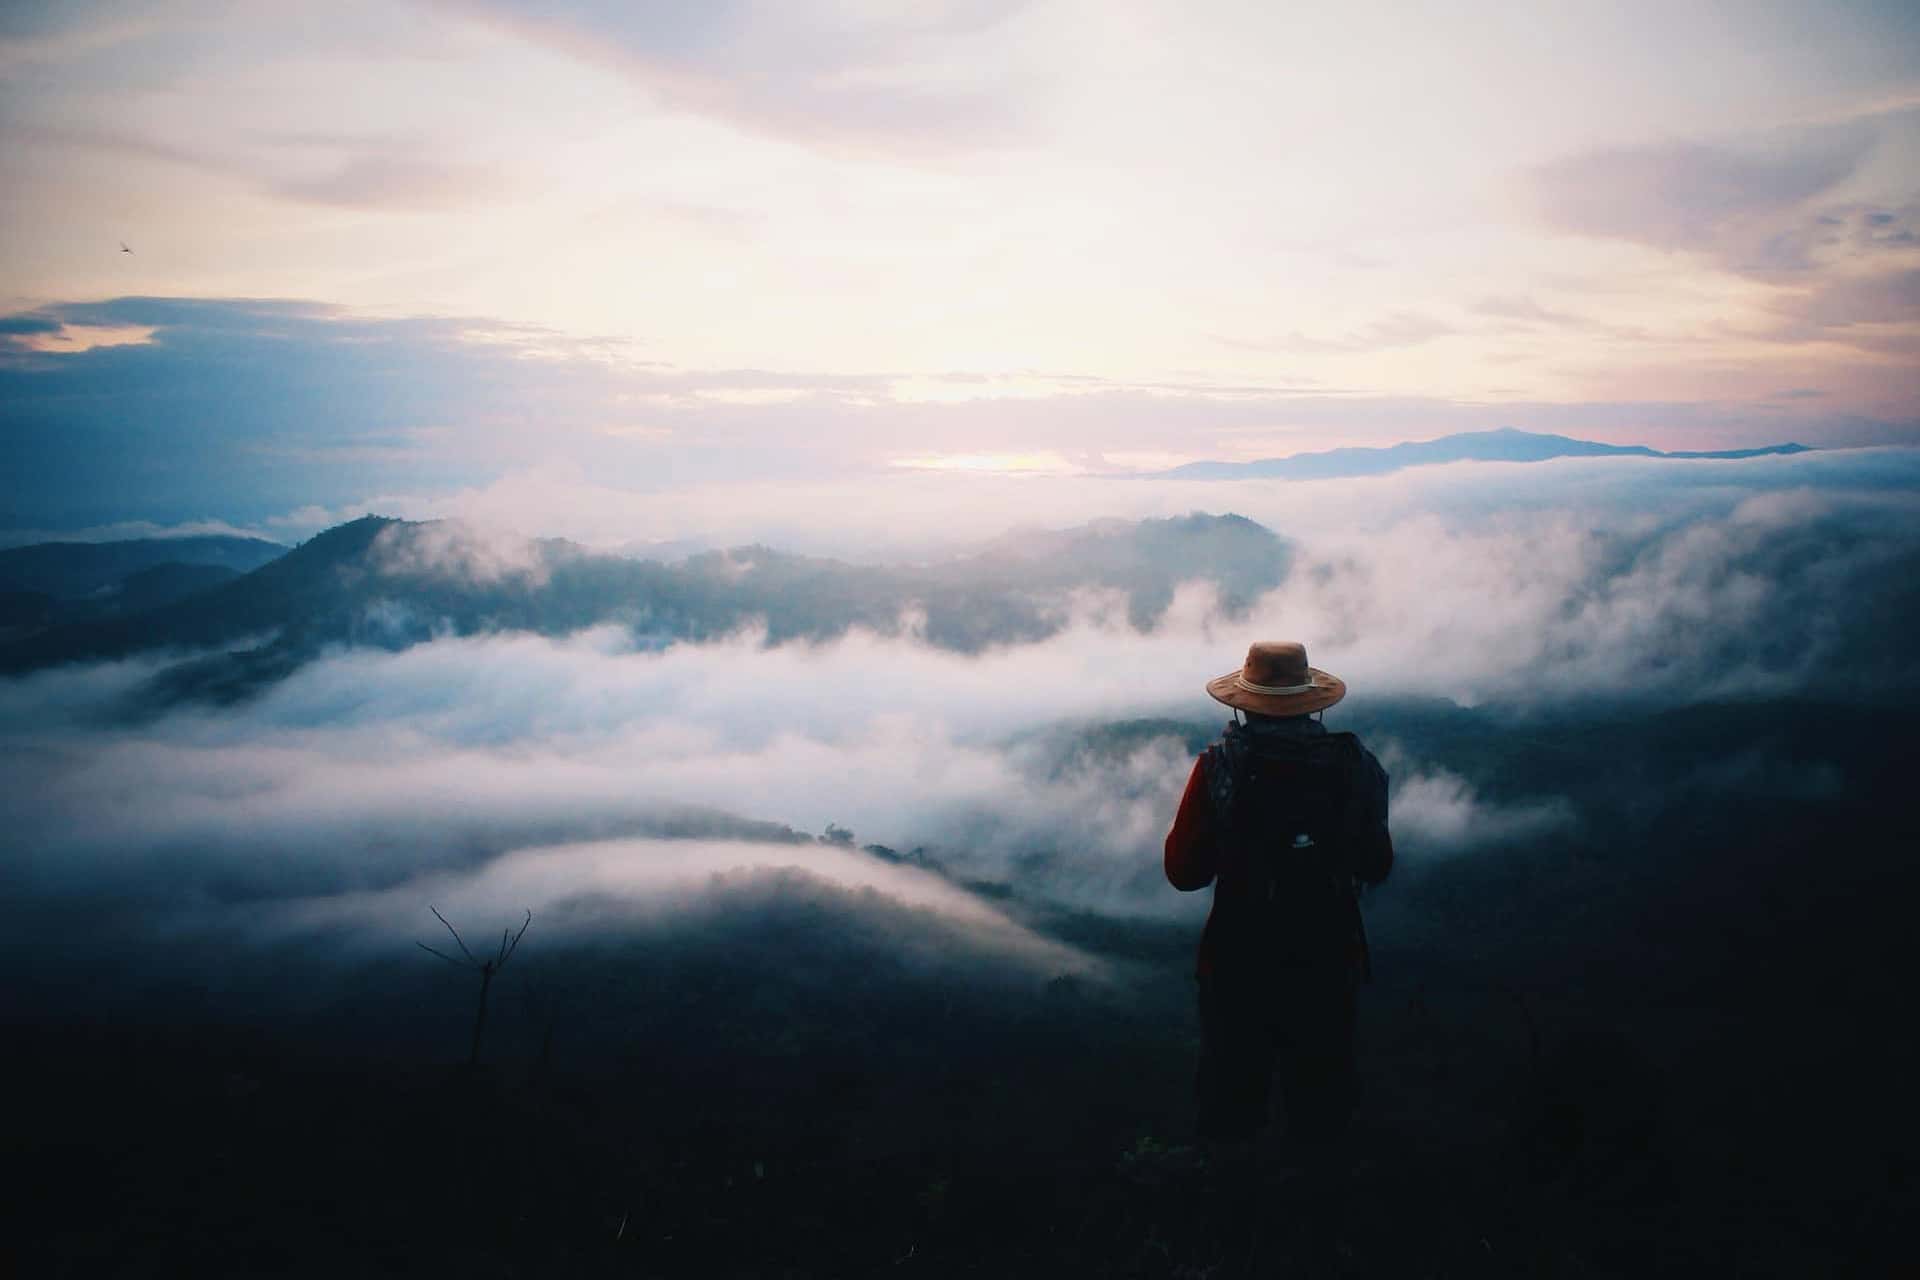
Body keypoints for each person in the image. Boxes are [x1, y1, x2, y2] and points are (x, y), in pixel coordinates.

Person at [1164, 640, 1392, 1270]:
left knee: (1232, 1110)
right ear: (1311, 705)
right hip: (1326, 962)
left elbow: (1183, 872)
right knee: (1321, 1108)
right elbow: (1378, 862)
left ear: (1245, 706)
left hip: (1238, 964)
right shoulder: (1353, 766)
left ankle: (1232, 1247)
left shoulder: (1218, 769)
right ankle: (1320, 1246)